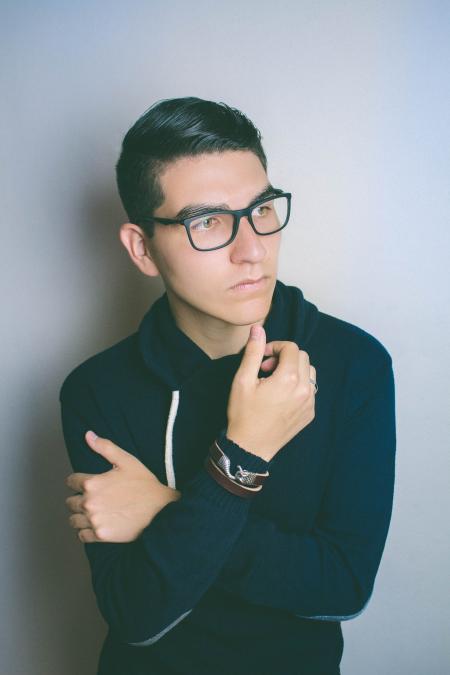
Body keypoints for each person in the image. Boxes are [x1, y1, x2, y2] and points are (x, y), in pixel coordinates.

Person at [59, 96, 396, 675]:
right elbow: (137, 619)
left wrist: (165, 508)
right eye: (206, 222)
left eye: (261, 210)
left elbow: (343, 588)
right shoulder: (96, 389)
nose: (253, 249)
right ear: (142, 248)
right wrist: (244, 452)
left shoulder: (353, 364)